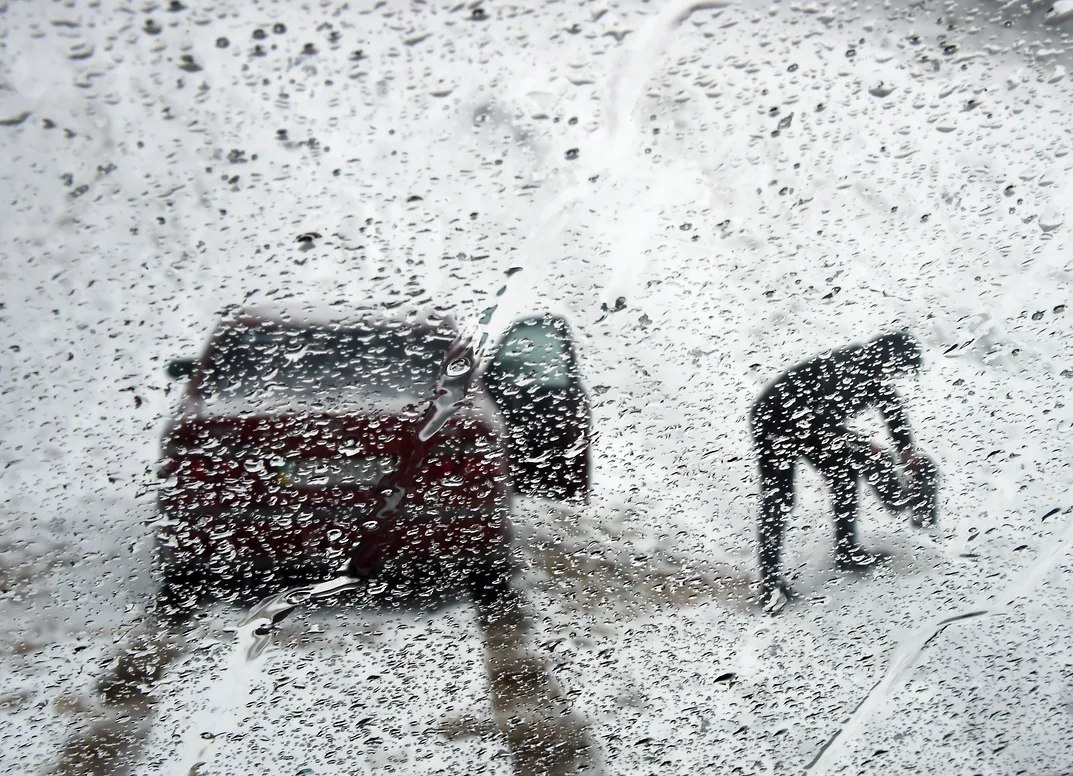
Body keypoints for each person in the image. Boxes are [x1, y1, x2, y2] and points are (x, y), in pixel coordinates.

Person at [750, 331, 939, 608]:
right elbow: (817, 418)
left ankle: (847, 551)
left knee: (845, 474)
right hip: (774, 421)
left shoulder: (874, 375)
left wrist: (907, 451)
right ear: (888, 357)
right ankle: (769, 585)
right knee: (779, 498)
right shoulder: (845, 366)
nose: (897, 375)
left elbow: (892, 409)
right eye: (898, 368)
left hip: (810, 427)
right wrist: (861, 443)